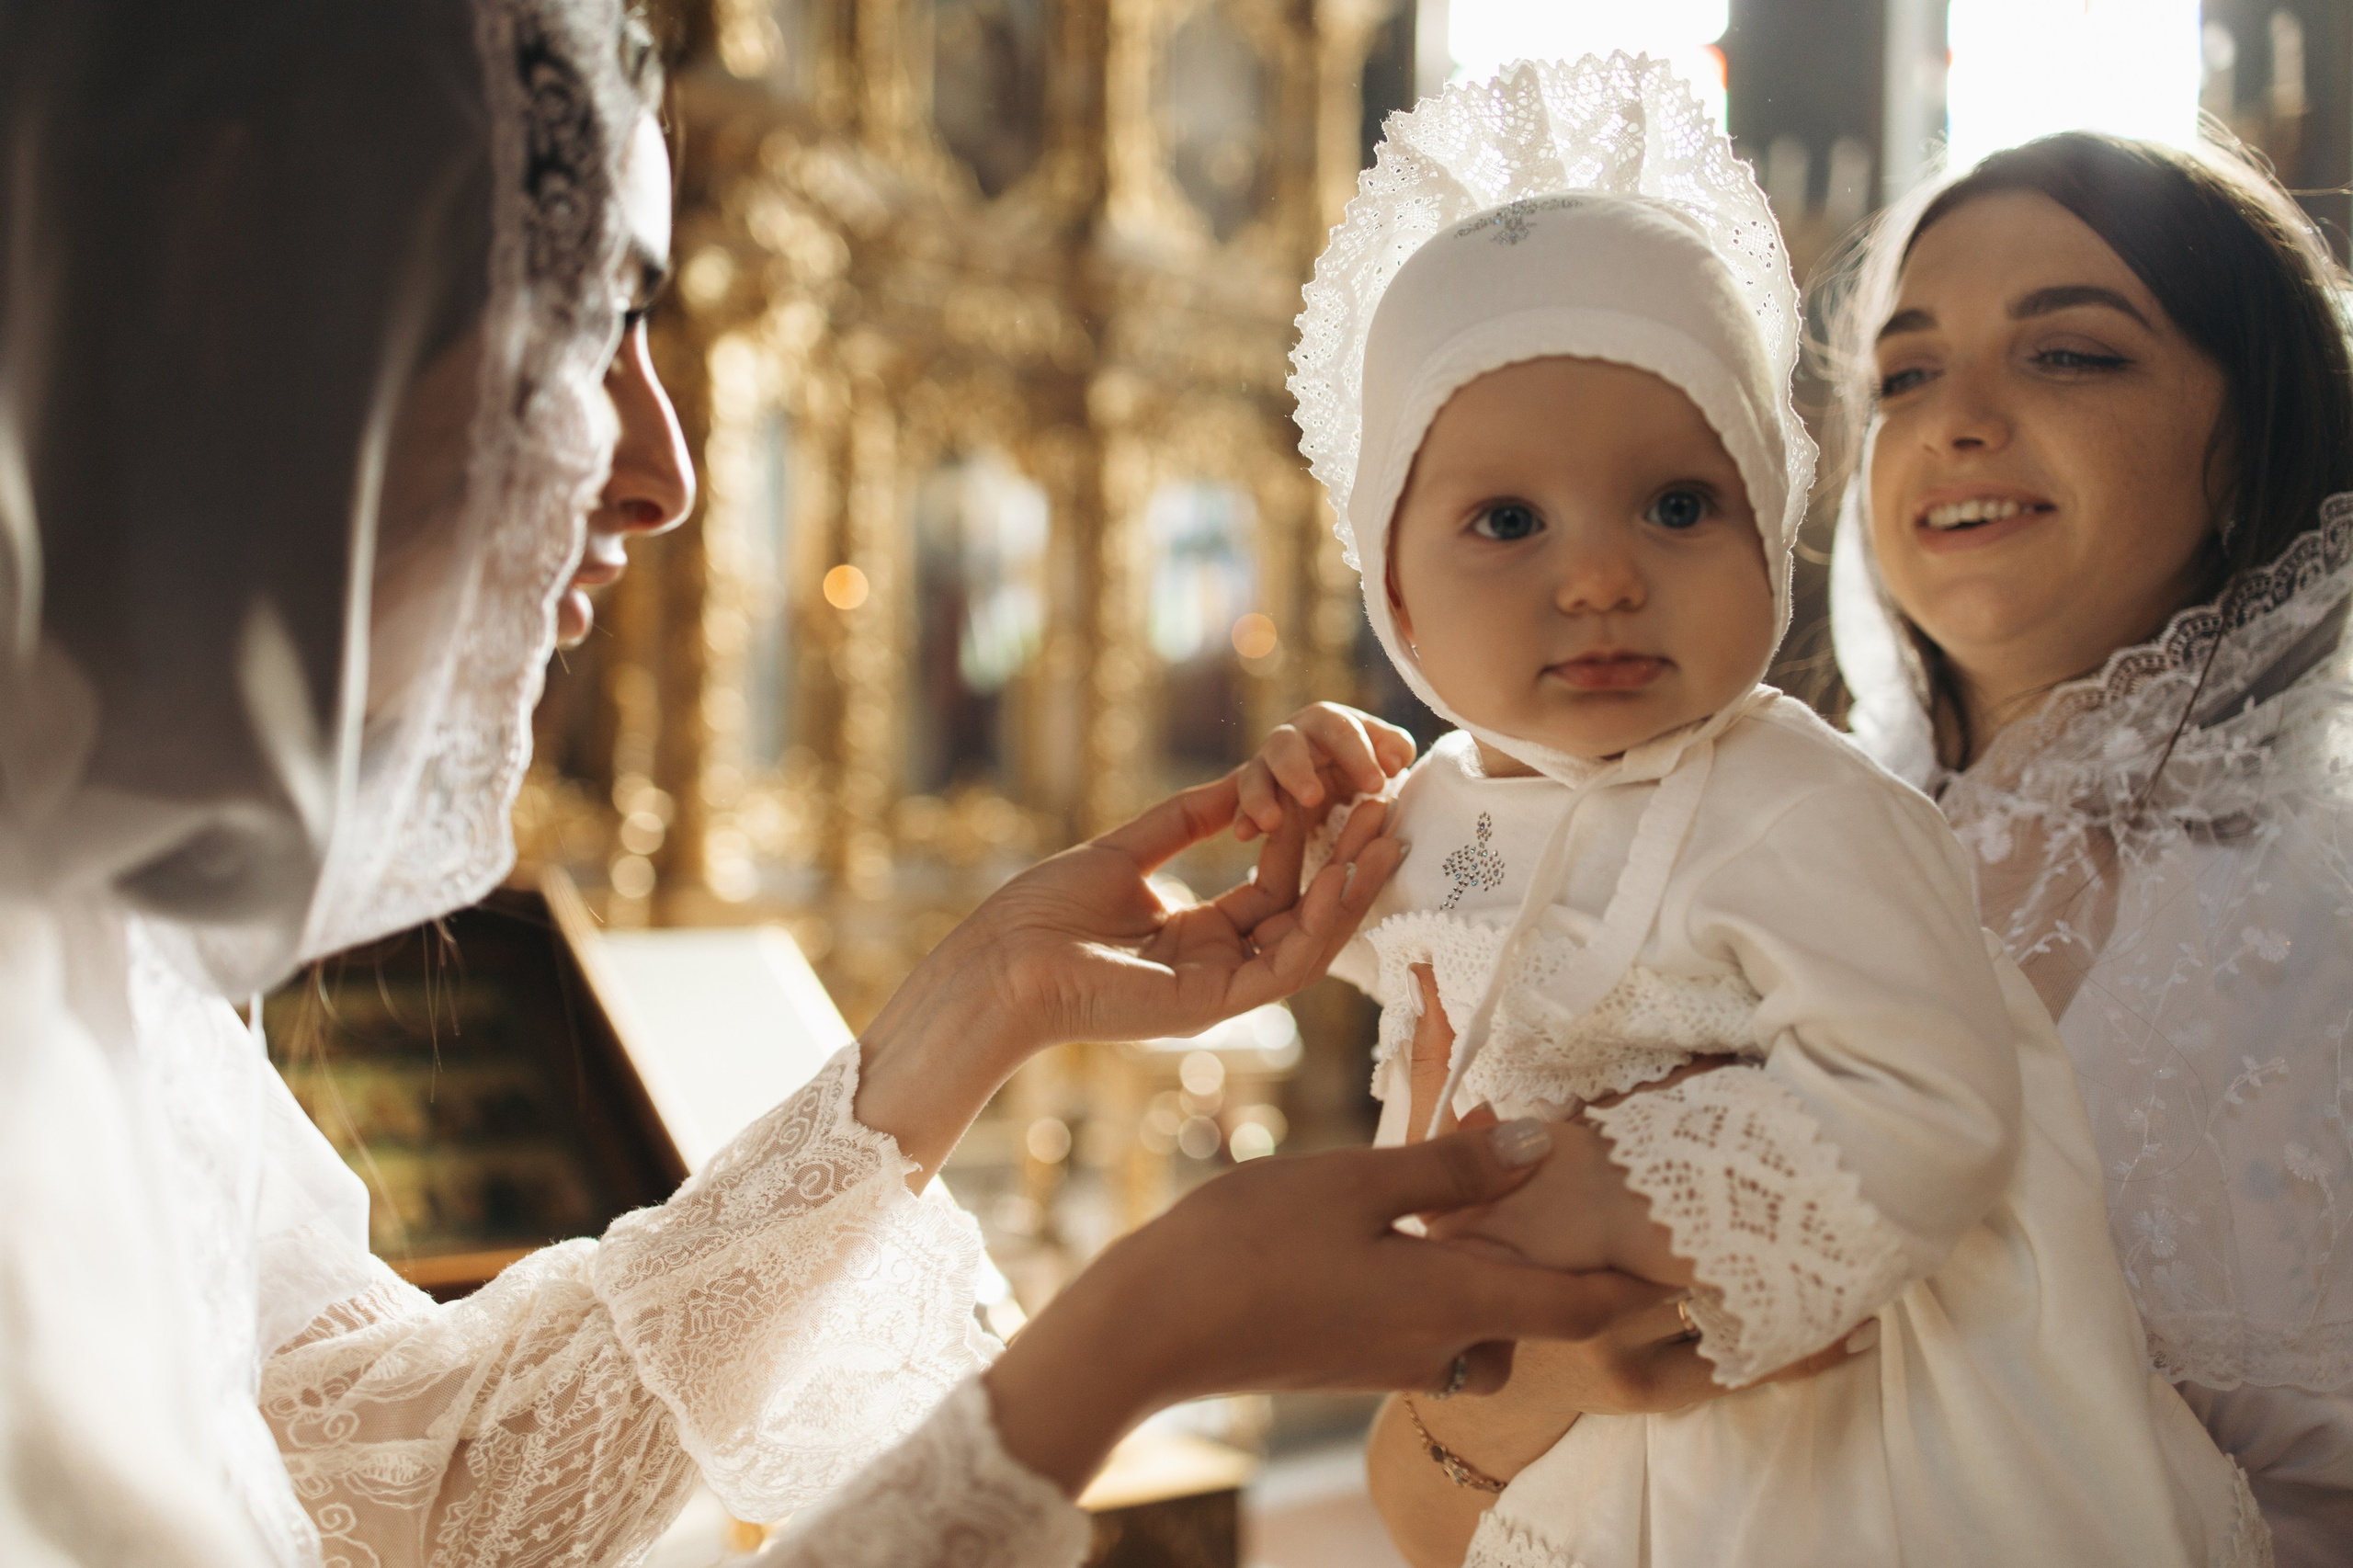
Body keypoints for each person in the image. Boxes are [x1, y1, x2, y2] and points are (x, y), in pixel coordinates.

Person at [0, 5, 1672, 1566]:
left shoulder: (105, 961)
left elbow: (423, 1490)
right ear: (255, 287)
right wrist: (1144, 1333)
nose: (663, 473)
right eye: (592, 314)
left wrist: (987, 999)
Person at [1256, 55, 2263, 1567]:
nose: (1599, 574)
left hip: (1859, 1446)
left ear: (1771, 529)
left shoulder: (1803, 808)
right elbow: (1422, 962)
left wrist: (1631, 1188)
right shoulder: (1446, 813)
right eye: (1508, 521)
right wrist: (1317, 861)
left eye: (1677, 505)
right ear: (1389, 586)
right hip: (1593, 1468)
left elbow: (1933, 1099)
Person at [1818, 130, 2353, 1566]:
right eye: (1906, 374)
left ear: (2247, 440)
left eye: (2071, 354)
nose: (1958, 420)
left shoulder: (2323, 919)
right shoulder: (1767, 840)